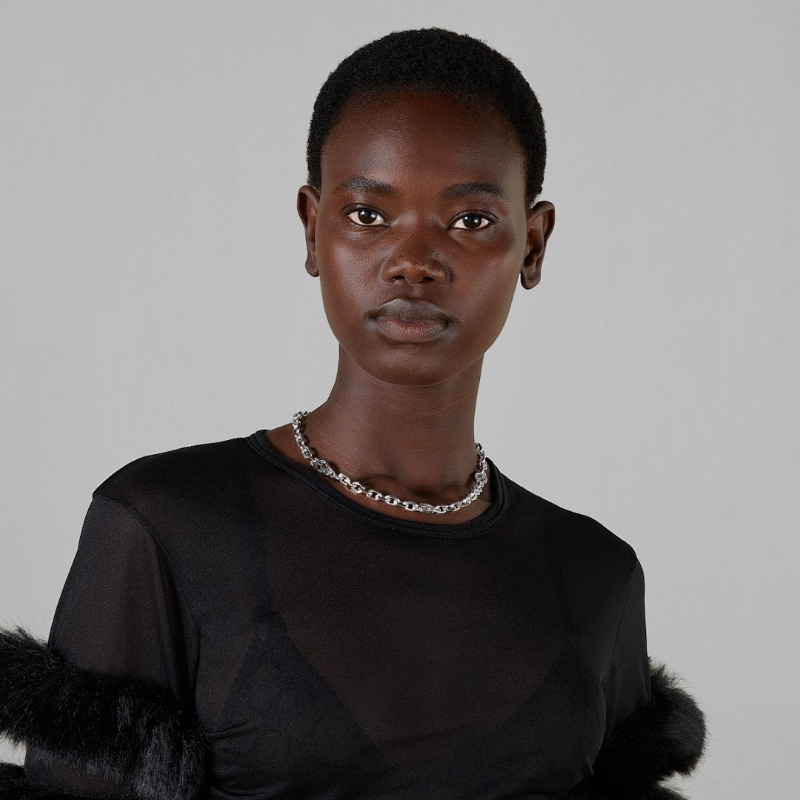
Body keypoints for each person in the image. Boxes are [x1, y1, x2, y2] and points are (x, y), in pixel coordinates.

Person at [0, 28, 706, 800]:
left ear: (532, 245)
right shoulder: (166, 528)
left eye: (470, 220)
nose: (413, 262)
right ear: (313, 228)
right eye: (369, 214)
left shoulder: (595, 574)